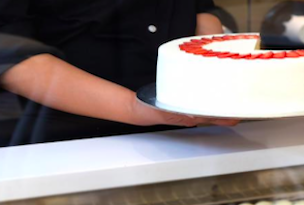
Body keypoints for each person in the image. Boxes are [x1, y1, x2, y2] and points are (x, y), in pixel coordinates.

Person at [0, 0, 237, 146]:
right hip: (66, 141)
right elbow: (13, 57)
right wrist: (133, 107)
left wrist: (210, 75)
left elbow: (201, 10)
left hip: (184, 133)